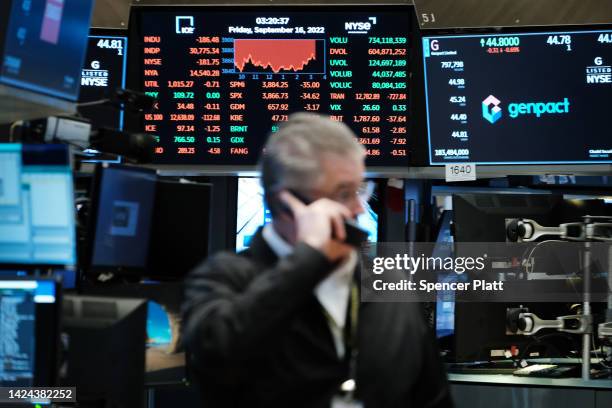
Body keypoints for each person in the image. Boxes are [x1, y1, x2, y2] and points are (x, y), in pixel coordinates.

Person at [182, 113, 453, 408]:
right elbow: (218, 356)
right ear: (286, 204)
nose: (358, 209)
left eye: (361, 189)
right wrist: (307, 261)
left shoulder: (388, 285)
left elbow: (433, 400)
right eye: (343, 193)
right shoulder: (225, 278)